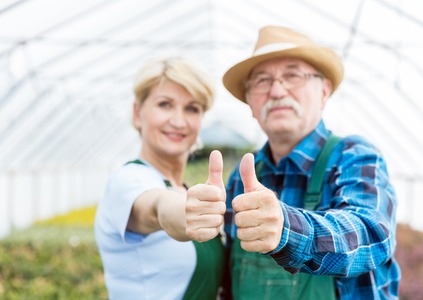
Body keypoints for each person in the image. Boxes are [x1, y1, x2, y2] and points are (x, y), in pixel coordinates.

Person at [185, 25, 401, 299]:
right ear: (250, 103)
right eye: (262, 81)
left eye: (293, 75)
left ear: (323, 91)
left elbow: (371, 234)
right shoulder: (242, 177)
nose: (276, 91)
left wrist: (286, 229)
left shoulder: (353, 156)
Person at [94, 56, 224, 300]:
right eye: (165, 104)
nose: (178, 121)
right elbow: (156, 208)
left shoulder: (181, 187)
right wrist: (182, 211)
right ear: (137, 113)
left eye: (192, 108)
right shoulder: (128, 180)